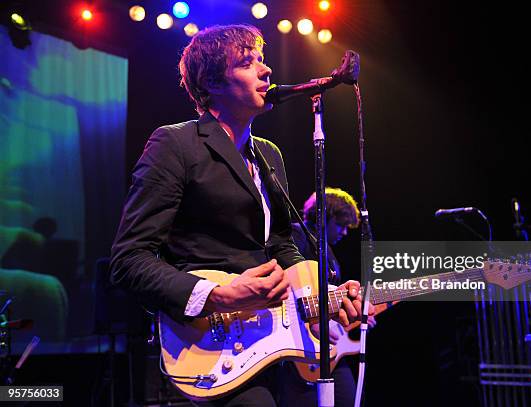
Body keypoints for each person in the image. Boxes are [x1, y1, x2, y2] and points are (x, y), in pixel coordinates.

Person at [109, 24, 365, 406]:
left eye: (262, 60)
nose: (266, 71)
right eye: (248, 63)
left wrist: (318, 295)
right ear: (212, 82)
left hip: (280, 337)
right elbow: (129, 260)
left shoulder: (269, 156)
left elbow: (280, 243)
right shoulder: (176, 144)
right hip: (217, 344)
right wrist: (219, 295)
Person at [284, 187, 375, 407]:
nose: (345, 232)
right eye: (342, 225)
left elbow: (330, 307)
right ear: (325, 216)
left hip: (328, 349)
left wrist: (355, 317)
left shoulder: (329, 253)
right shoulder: (297, 235)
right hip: (299, 348)